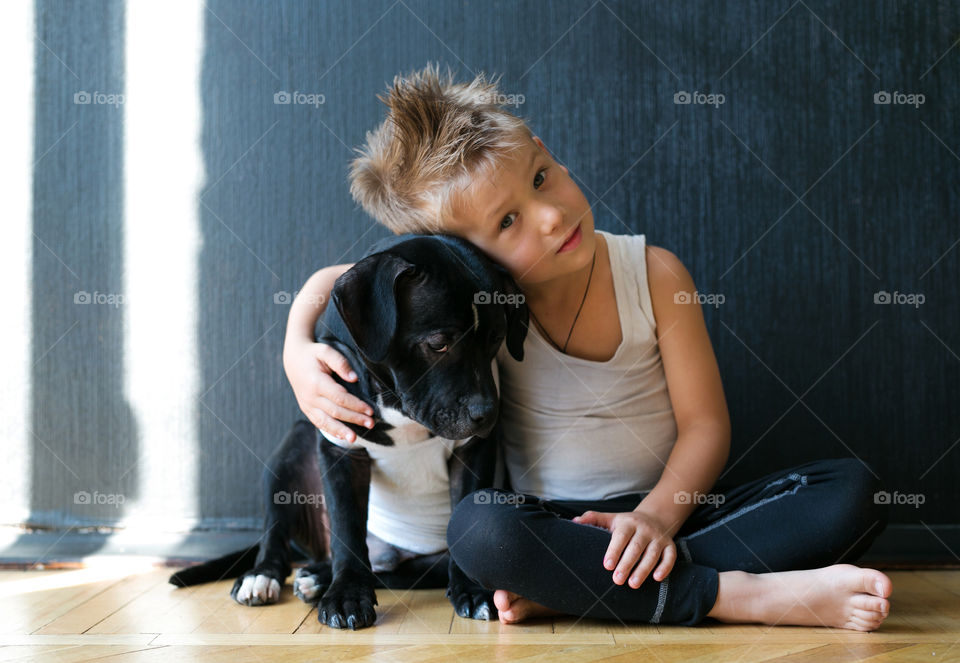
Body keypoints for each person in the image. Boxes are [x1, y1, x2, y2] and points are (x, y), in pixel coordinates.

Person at [282, 62, 892, 631]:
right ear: (462, 259)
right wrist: (296, 350)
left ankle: (586, 585)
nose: (548, 216)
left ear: (550, 153)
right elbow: (332, 283)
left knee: (852, 491)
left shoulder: (655, 275)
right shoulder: (477, 303)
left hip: (668, 514)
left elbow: (705, 426)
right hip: (551, 524)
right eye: (506, 223)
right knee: (480, 532)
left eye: (541, 179)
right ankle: (738, 596)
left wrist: (655, 518)